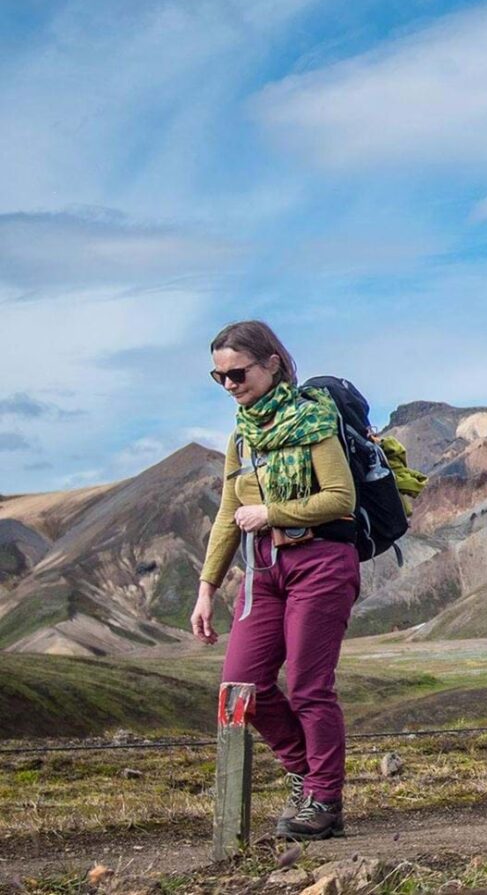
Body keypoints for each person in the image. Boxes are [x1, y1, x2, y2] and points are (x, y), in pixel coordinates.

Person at [191, 321, 358, 841]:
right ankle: (307, 775)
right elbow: (227, 512)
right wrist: (207, 588)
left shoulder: (314, 419)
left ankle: (325, 801)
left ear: (272, 363)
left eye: (237, 373)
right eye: (218, 377)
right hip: (262, 569)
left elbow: (341, 498)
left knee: (309, 687)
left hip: (321, 560)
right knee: (242, 684)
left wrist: (272, 512)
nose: (230, 385)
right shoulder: (243, 433)